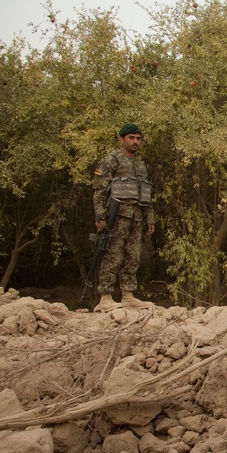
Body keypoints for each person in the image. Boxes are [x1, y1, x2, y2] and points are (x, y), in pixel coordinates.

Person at [91, 122, 155, 312]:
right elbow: (99, 191)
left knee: (133, 257)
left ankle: (127, 295)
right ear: (122, 139)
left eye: (138, 138)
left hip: (136, 217)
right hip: (116, 217)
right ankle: (105, 297)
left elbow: (147, 193)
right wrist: (100, 217)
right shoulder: (111, 161)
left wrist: (149, 218)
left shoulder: (141, 165)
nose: (136, 142)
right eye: (131, 138)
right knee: (112, 256)